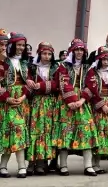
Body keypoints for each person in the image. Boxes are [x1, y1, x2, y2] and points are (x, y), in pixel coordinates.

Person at [54, 39, 98, 176]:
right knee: (65, 131)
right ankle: (63, 165)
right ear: (72, 51)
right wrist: (71, 101)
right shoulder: (63, 66)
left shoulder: (89, 68)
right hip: (67, 102)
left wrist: (82, 100)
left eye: (81, 50)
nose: (79, 52)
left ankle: (88, 166)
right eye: (76, 50)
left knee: (86, 131)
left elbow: (92, 85)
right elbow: (63, 83)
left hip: (82, 102)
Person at [0, 32, 32, 178]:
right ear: (12, 46)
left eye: (23, 45)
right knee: (11, 131)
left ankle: (10, 166)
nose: (21, 48)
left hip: (21, 101)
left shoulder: (25, 63)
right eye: (19, 45)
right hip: (7, 101)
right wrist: (7, 98)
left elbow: (29, 83)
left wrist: (24, 96)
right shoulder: (3, 63)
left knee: (18, 132)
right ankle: (17, 166)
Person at [27, 41, 61, 176]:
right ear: (39, 54)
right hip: (35, 103)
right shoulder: (32, 67)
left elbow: (59, 84)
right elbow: (26, 80)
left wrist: (41, 86)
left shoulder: (56, 68)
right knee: (34, 131)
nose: (47, 56)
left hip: (50, 103)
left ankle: (42, 163)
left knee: (47, 131)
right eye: (44, 53)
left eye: (49, 54)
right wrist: (30, 83)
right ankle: (30, 163)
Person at [85, 46, 108, 174]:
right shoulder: (92, 72)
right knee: (97, 133)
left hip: (107, 105)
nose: (105, 62)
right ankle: (92, 163)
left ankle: (97, 163)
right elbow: (91, 90)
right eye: (103, 59)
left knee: (105, 133)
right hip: (97, 107)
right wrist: (101, 105)